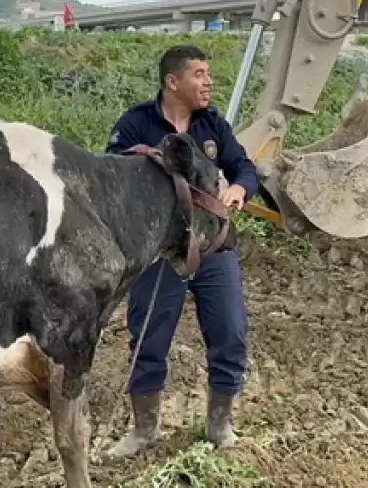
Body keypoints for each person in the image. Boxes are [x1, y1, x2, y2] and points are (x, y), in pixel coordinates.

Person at [104, 43, 258, 457]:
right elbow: (112, 177)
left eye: (208, 74)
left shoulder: (214, 126)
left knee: (230, 332)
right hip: (158, 255)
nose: (208, 82)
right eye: (199, 74)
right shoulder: (136, 125)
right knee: (148, 338)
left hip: (214, 248)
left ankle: (219, 425)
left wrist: (241, 187)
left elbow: (243, 165)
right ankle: (144, 431)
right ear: (173, 81)